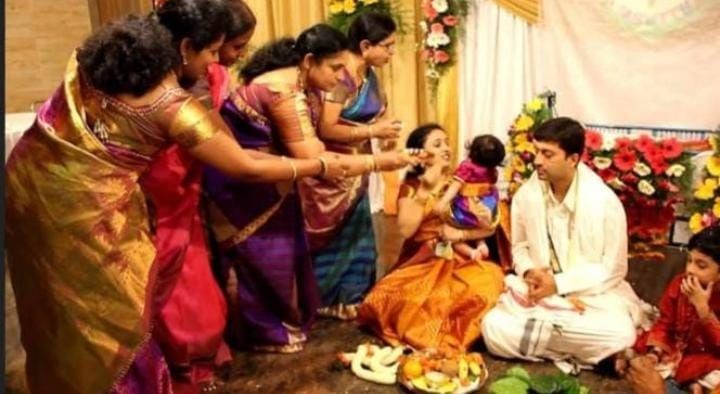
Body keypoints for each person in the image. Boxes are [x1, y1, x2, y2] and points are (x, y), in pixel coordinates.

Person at [4, 14, 343, 394]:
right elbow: (244, 166)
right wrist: (326, 165)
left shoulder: (99, 70)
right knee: (114, 312)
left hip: (28, 185)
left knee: (56, 304)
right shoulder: (171, 104)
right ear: (183, 49)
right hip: (85, 210)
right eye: (213, 51)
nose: (215, 62)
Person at [204, 23, 416, 353]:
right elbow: (317, 159)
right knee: (264, 256)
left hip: (276, 181)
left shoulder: (303, 82)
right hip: (244, 189)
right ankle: (260, 332)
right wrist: (383, 161)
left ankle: (282, 323)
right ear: (308, 61)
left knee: (285, 253)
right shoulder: (283, 91)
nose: (341, 78)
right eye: (334, 68)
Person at [481, 117, 643, 373]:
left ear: (573, 158)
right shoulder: (527, 195)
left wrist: (559, 284)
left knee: (621, 334)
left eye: (547, 154)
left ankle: (546, 343)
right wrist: (528, 271)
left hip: (591, 297)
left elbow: (614, 268)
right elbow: (520, 247)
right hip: (537, 294)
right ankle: (586, 354)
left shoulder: (604, 202)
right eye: (536, 152)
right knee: (492, 327)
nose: (537, 161)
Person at [357, 124, 505, 351]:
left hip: (459, 258)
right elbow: (406, 230)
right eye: (437, 144)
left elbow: (489, 228)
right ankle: (433, 340)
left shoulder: (461, 183)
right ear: (421, 153)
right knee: (405, 300)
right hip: (421, 262)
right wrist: (424, 191)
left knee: (488, 281)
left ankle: (454, 336)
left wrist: (464, 233)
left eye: (446, 142)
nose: (446, 148)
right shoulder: (411, 186)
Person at [300, 12, 403, 320]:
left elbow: (373, 115)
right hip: (333, 169)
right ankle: (323, 299)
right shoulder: (342, 76)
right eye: (387, 46)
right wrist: (373, 132)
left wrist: (384, 131)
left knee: (358, 233)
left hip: (357, 167)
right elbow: (327, 128)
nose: (391, 53)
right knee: (333, 236)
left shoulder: (369, 74)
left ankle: (351, 296)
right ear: (366, 44)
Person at [627, 225, 720, 394]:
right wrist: (655, 353)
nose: (690, 269)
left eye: (701, 265)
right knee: (638, 355)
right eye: (689, 261)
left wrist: (703, 310)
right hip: (677, 351)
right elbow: (665, 322)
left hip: (709, 359)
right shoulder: (680, 283)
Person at [432, 134, 505, 262]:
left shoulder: (467, 167)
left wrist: (442, 202)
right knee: (478, 226)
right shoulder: (492, 170)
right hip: (486, 203)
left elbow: (454, 187)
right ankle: (481, 243)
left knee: (448, 233)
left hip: (466, 207)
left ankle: (471, 252)